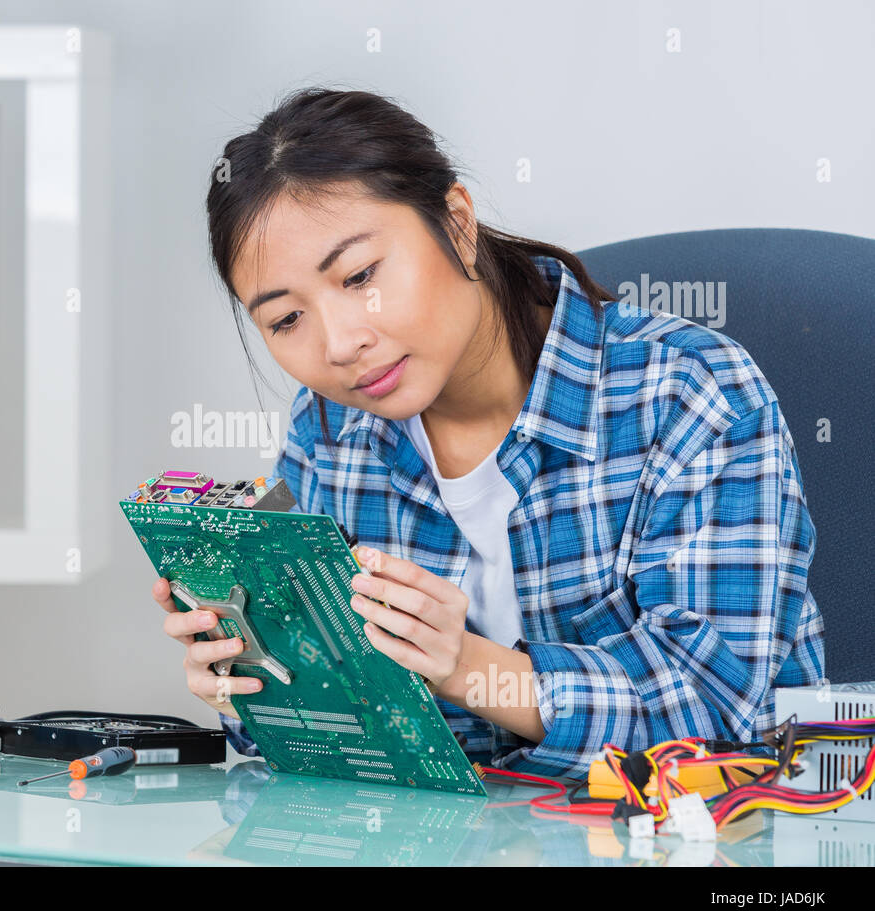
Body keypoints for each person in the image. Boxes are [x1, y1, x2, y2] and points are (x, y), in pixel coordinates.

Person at [151, 88, 824, 779]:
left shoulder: (689, 393)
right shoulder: (329, 430)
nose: (341, 343)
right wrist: (258, 676)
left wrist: (466, 666)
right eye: (287, 320)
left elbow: (720, 722)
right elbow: (363, 737)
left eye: (359, 276)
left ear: (458, 225)